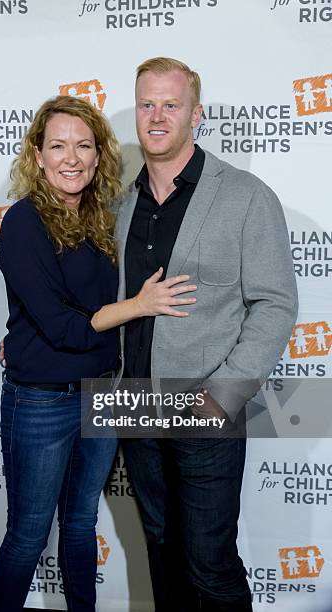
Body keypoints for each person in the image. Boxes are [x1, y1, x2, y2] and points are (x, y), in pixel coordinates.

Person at [0, 94, 197, 612]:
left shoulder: (106, 217)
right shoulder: (23, 221)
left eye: (84, 145)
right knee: (28, 536)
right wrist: (138, 305)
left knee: (81, 525)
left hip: (104, 392)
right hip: (41, 401)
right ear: (36, 155)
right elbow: (61, 326)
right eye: (58, 145)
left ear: (99, 154)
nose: (72, 157)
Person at [115, 58, 299, 612]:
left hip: (206, 410)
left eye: (171, 104)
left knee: (210, 564)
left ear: (196, 114)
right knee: (161, 554)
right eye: (147, 104)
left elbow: (274, 304)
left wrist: (222, 398)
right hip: (134, 409)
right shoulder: (121, 203)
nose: (157, 116)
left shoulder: (245, 195)